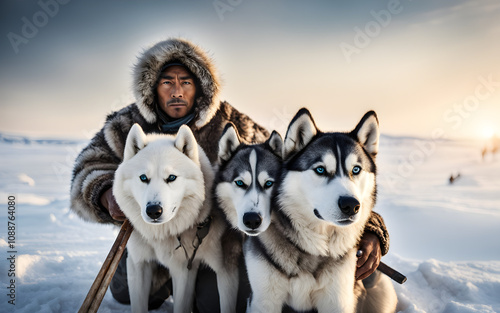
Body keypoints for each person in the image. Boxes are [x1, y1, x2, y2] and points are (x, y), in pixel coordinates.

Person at [70, 37, 390, 312]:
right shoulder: (127, 126)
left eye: (186, 82)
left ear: (201, 87)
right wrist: (103, 192)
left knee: (218, 304)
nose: (177, 91)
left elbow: (294, 171)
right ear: (153, 87)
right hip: (151, 235)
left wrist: (369, 226)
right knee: (128, 293)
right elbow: (90, 167)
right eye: (168, 82)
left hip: (216, 241)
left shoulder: (233, 124)